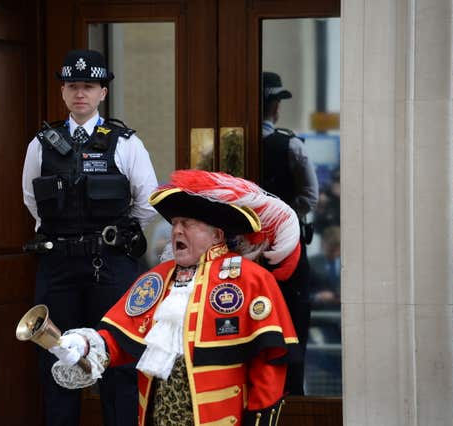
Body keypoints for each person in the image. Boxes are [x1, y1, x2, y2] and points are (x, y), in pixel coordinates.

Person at [45, 170, 302, 426]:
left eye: (187, 223)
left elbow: (269, 364)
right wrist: (84, 345)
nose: (177, 231)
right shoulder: (157, 278)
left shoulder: (250, 278)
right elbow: (120, 336)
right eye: (175, 224)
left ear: (217, 235)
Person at [21, 49, 158, 426]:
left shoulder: (125, 142)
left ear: (102, 93)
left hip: (110, 265)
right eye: (72, 86)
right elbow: (32, 200)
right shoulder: (41, 145)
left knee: (119, 363)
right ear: (63, 92)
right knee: (57, 365)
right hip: (59, 266)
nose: (80, 93)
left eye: (89, 86)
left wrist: (111, 234)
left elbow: (148, 201)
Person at [260, 71, 319, 395]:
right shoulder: (290, 144)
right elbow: (309, 197)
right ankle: (293, 398)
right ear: (274, 108)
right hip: (288, 252)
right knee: (293, 327)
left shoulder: (226, 142)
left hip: (243, 252)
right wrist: (283, 217)